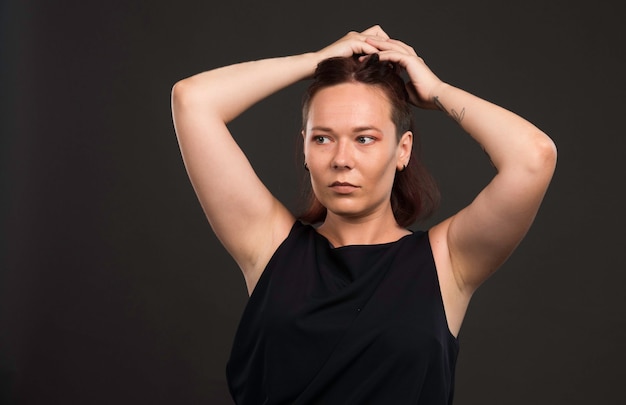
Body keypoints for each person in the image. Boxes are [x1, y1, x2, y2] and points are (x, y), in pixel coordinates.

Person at [171, 25, 556, 404]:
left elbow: (533, 157)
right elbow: (192, 100)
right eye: (322, 138)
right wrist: (316, 60)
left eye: (364, 138)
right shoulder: (269, 245)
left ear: (402, 150)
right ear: (304, 149)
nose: (341, 159)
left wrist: (437, 92)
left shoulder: (447, 261)